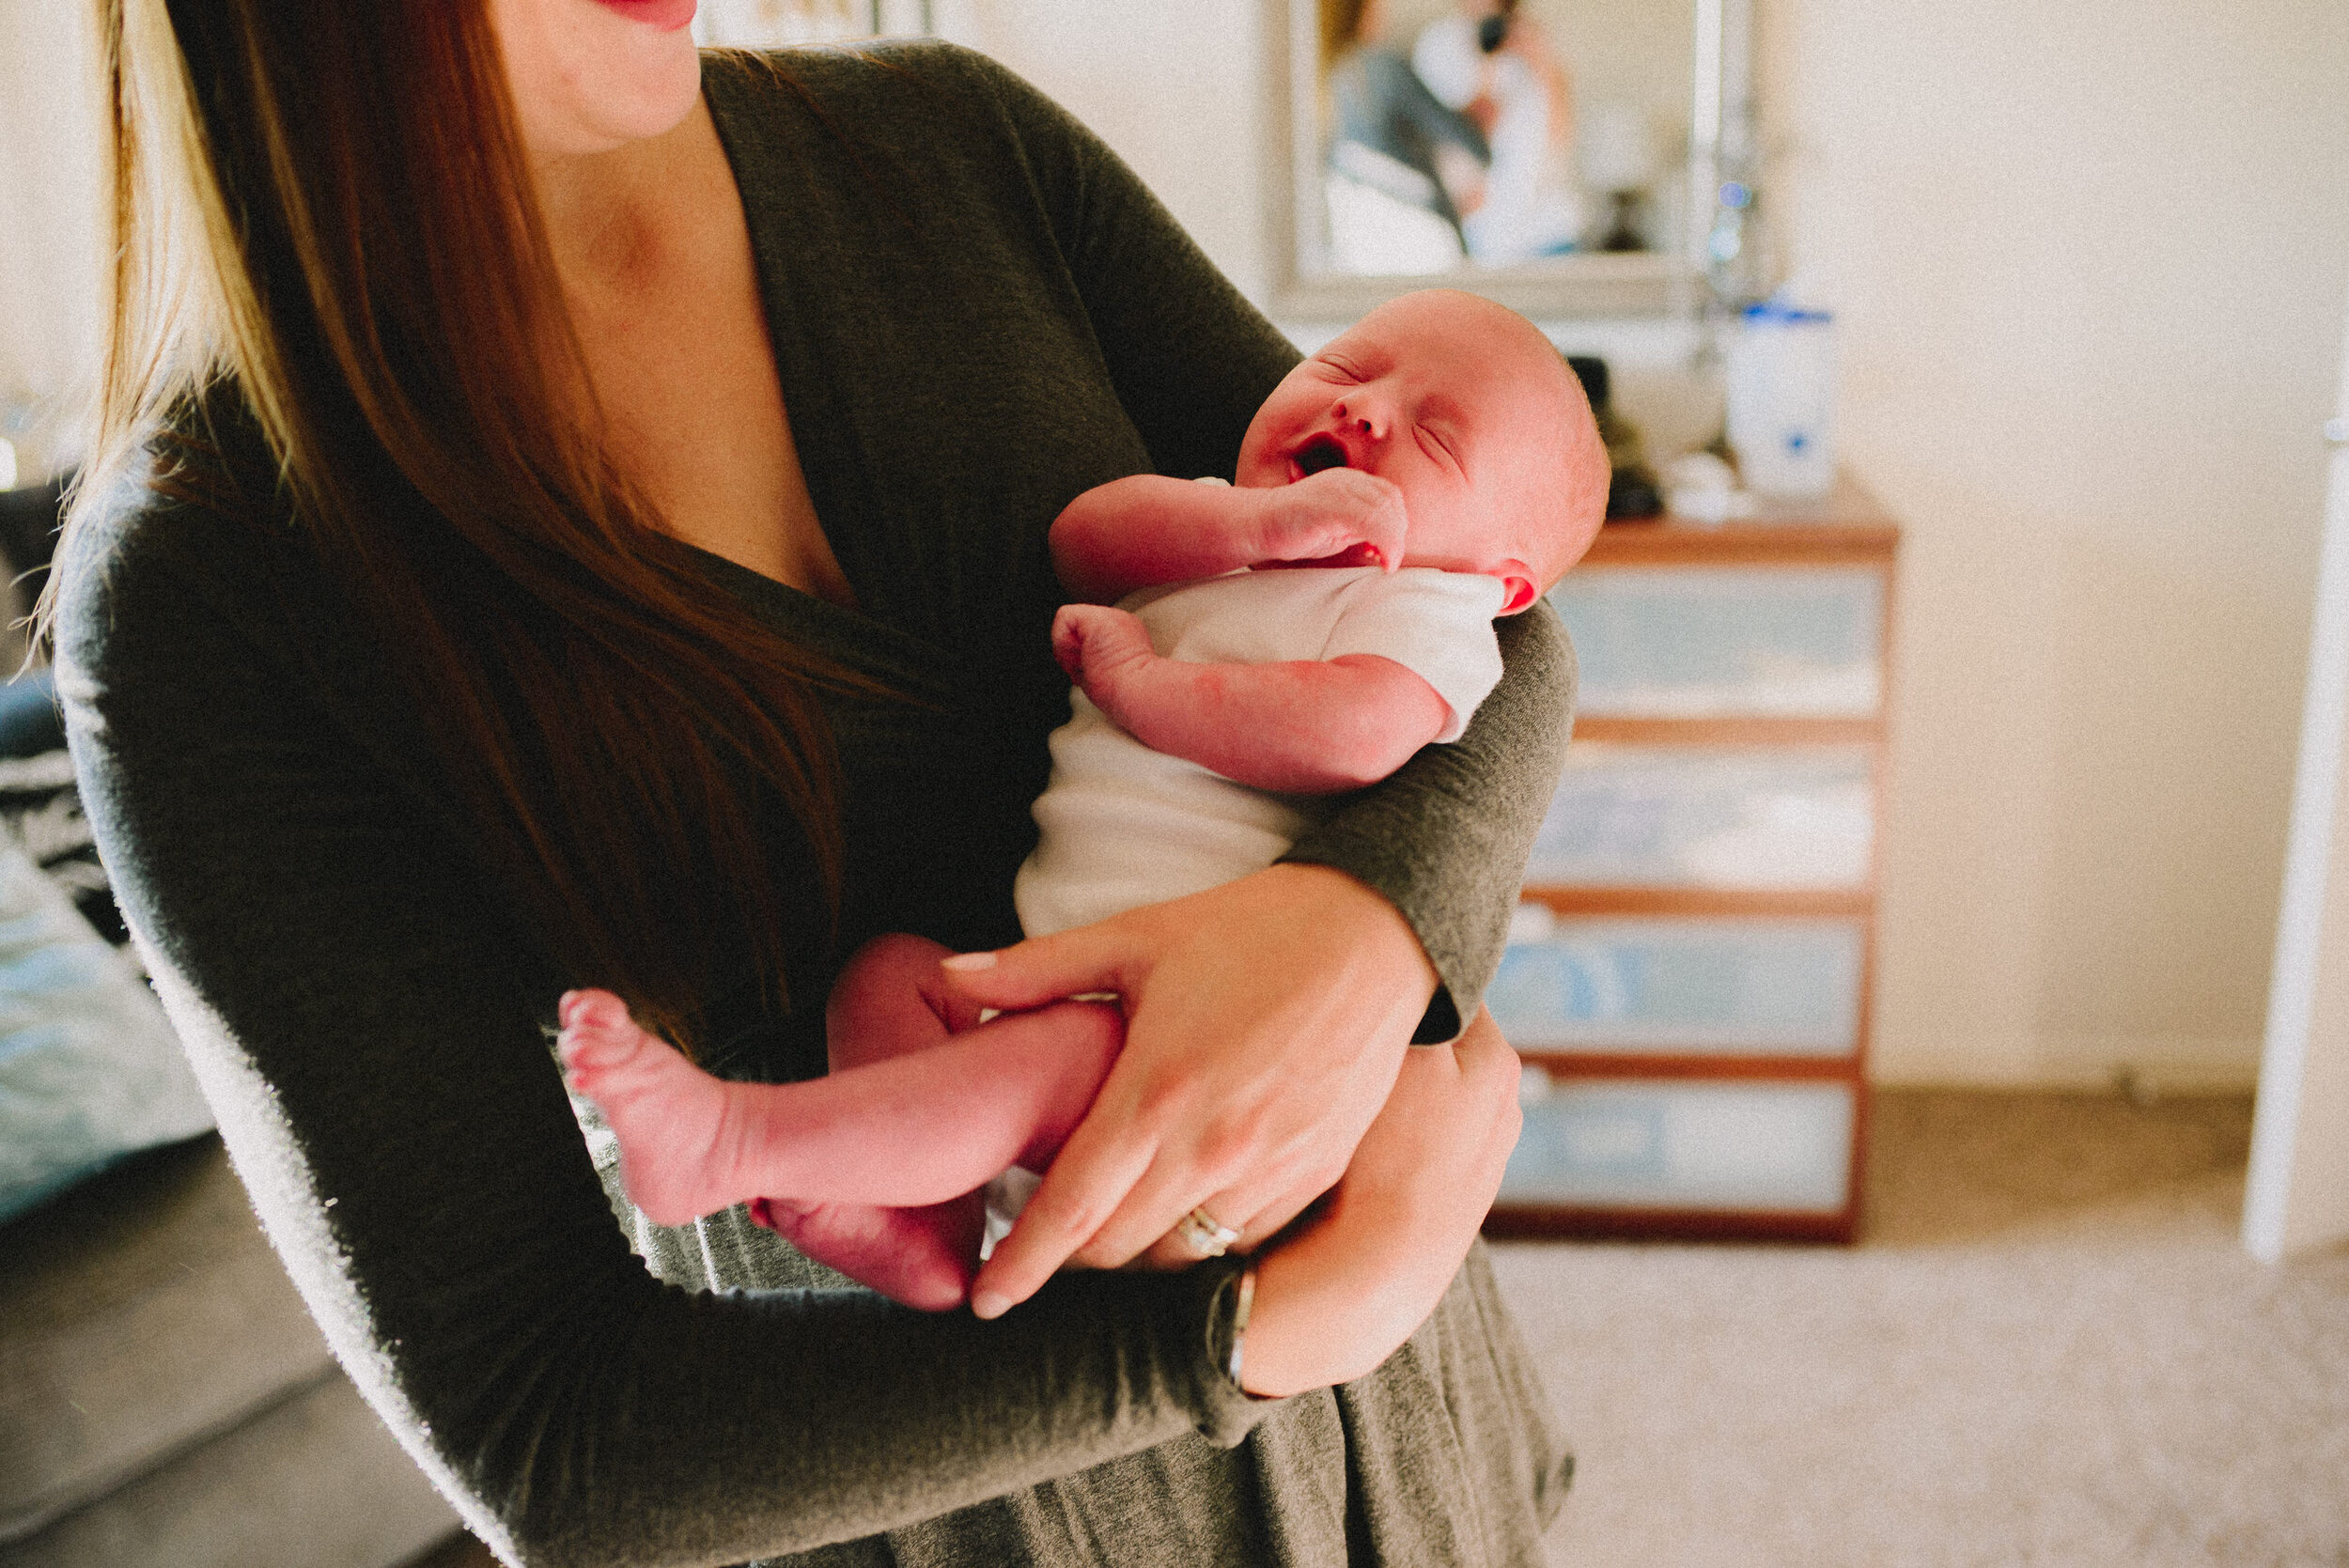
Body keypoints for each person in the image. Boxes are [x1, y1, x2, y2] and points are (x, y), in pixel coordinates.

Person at [51, 2, 1577, 1562]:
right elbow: (557, 1435)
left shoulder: (955, 146)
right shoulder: (209, 590)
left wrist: (1367, 932)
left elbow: (1484, 614)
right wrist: (1259, 1326)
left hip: (1411, 1451)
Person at [555, 288, 1608, 1314]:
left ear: (1505, 580)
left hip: (1176, 1018)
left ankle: (737, 1143)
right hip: (1042, 962)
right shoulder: (1226, 527)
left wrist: (1152, 690)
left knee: (1032, 1062)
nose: (1362, 408)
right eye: (1343, 365)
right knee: (889, 980)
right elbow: (1083, 541)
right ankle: (922, 1223)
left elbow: (1355, 734)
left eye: (1436, 436)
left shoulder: (1431, 609)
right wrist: (1260, 524)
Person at [1411, 0, 1583, 263]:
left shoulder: (1535, 36)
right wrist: (1487, 69)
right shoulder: (1439, 45)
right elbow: (1451, 138)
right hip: (1486, 235)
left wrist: (1543, 64)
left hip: (1549, 230)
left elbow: (1561, 137)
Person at [1322, 0, 1490, 264]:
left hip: (1361, 250)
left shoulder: (1325, 81)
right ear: (1363, 9)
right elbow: (1471, 142)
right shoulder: (1383, 68)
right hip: (1425, 239)